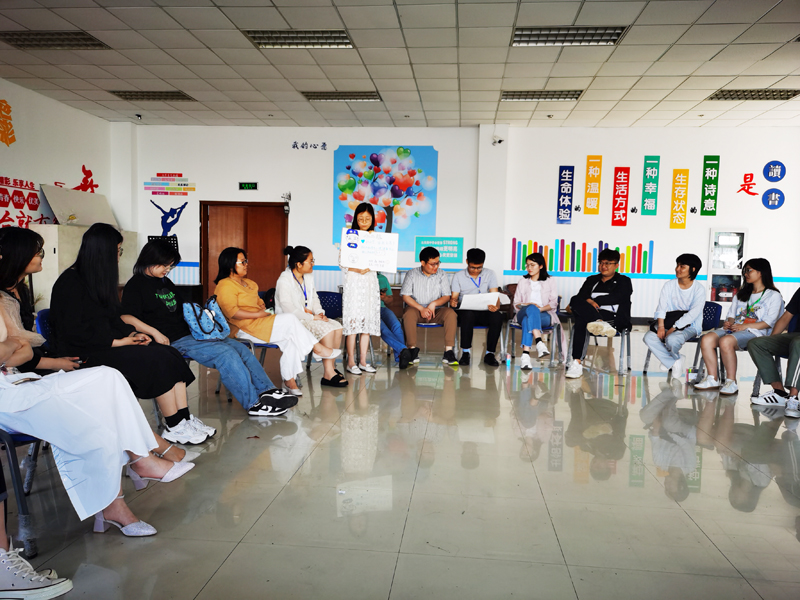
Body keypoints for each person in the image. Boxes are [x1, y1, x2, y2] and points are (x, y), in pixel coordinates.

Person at [0, 313, 194, 543]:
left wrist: (10, 350)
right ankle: (114, 504)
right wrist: (13, 345)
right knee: (85, 410)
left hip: (19, 383)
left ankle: (141, 457)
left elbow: (26, 352)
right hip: (7, 401)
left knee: (108, 376)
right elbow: (18, 347)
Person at [50, 224, 214, 446]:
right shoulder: (70, 282)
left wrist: (133, 334)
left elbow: (114, 318)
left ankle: (184, 418)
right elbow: (74, 332)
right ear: (103, 251)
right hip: (84, 352)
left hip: (106, 343)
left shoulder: (97, 280)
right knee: (155, 359)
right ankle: (174, 425)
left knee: (169, 353)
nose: (119, 255)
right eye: (117, 250)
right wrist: (118, 342)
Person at [121, 240, 298, 417]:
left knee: (240, 349)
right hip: (173, 340)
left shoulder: (165, 282)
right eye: (165, 265)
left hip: (192, 334)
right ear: (150, 260)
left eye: (170, 266)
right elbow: (126, 317)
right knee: (226, 354)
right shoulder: (135, 286)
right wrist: (155, 333)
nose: (168, 269)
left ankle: (267, 391)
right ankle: (253, 403)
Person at [214, 247, 341, 396]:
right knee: (290, 318)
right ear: (230, 264)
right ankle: (318, 349)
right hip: (243, 328)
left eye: (246, 261)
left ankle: (289, 381)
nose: (247, 264)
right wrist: (257, 313)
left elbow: (260, 302)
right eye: (243, 262)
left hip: (261, 323)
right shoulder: (225, 285)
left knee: (292, 339)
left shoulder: (249, 283)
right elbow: (232, 312)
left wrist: (261, 309)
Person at [695, 258, 783, 396]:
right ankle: (712, 378)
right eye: (744, 271)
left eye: (749, 270)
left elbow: (768, 322)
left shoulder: (773, 295)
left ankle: (731, 382)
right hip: (735, 329)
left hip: (756, 332)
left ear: (761, 272)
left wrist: (744, 326)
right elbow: (731, 315)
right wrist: (729, 323)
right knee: (707, 339)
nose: (745, 274)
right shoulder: (742, 294)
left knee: (726, 341)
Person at [0, 227, 82, 374]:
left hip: (36, 360)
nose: (42, 257)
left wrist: (56, 360)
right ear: (19, 256)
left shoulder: (21, 289)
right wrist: (55, 363)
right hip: (19, 372)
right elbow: (14, 356)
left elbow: (26, 346)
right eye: (39, 253)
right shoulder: (3, 298)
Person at [275, 245, 347, 388]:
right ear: (299, 264)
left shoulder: (308, 276)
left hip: (309, 316)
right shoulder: (284, 280)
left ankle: (331, 368)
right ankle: (328, 373)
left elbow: (314, 298)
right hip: (293, 320)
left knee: (337, 327)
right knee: (327, 329)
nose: (313, 264)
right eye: (310, 261)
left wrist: (320, 313)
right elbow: (288, 308)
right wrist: (313, 318)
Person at [565, 248, 633, 379]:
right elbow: (581, 296)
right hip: (593, 317)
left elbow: (618, 297)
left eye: (607, 263)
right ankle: (598, 322)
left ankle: (576, 363)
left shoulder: (624, 281)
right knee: (575, 301)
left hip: (613, 318)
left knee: (581, 320)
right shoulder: (592, 280)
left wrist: (593, 301)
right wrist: (589, 301)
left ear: (616, 265)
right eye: (601, 263)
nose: (603, 266)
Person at [642, 253, 706, 381]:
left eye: (682, 266)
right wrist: (661, 326)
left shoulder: (699, 289)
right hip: (668, 322)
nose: (677, 269)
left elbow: (693, 314)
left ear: (693, 269)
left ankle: (668, 360)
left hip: (691, 326)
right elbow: (661, 307)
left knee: (672, 339)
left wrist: (674, 328)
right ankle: (675, 360)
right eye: (677, 265)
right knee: (648, 337)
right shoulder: (669, 285)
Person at [339, 203, 381, 375]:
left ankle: (363, 361)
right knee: (353, 324)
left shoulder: (377, 238)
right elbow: (342, 262)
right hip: (354, 283)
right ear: (356, 219)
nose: (364, 222)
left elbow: (382, 260)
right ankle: (351, 362)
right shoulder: (349, 236)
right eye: (360, 218)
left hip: (370, 283)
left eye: (367, 219)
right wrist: (357, 269)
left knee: (366, 324)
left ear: (373, 220)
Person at [400, 246, 458, 365]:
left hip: (437, 311)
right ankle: (412, 350)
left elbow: (446, 296)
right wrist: (421, 308)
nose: (436, 266)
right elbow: (405, 296)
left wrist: (433, 304)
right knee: (408, 314)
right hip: (416, 309)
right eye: (432, 264)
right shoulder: (411, 274)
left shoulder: (442, 274)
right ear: (423, 262)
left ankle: (448, 352)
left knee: (451, 314)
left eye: (438, 263)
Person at [748, 286, 800, 418]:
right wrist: (771, 340)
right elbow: (786, 317)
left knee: (798, 343)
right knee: (757, 344)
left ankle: (793, 399)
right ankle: (780, 393)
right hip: (795, 337)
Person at [450, 247, 504, 367]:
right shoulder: (458, 276)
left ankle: (490, 354)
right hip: (466, 311)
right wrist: (453, 301)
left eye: (479, 267)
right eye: (472, 267)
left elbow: (494, 294)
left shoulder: (490, 274)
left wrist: (496, 306)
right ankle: (465, 353)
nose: (475, 270)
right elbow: (454, 297)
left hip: (485, 311)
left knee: (497, 317)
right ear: (467, 262)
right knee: (467, 315)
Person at [512, 252, 563, 370]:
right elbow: (516, 303)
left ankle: (525, 356)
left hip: (544, 314)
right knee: (530, 309)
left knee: (528, 320)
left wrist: (537, 309)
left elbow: (553, 303)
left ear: (541, 266)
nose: (529, 268)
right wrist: (528, 306)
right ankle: (539, 342)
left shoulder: (550, 280)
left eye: (532, 265)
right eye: (527, 265)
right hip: (523, 312)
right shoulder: (522, 281)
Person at [377, 272, 411, 369]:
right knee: (383, 328)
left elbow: (390, 300)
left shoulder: (382, 278)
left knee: (396, 325)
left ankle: (400, 357)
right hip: (368, 310)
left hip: (382, 308)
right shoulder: (362, 277)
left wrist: (384, 298)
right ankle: (403, 350)